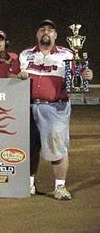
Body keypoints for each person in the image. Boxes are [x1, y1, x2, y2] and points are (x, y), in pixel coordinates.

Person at [18, 19, 93, 200]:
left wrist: (86, 75)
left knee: (57, 146)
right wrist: (18, 76)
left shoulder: (67, 53)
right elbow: (12, 75)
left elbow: (77, 78)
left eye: (50, 30)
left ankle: (60, 187)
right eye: (42, 29)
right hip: (27, 107)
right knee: (29, 147)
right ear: (37, 34)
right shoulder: (25, 54)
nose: (46, 32)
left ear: (55, 35)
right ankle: (29, 185)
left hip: (56, 107)